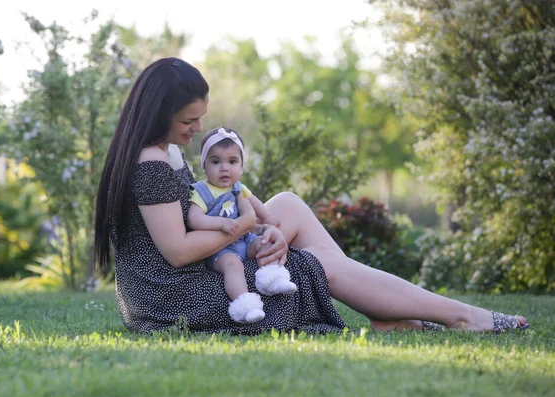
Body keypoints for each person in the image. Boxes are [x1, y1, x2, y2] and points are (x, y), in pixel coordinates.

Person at [94, 57, 529, 335]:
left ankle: (399, 312)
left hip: (191, 273)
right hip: (173, 295)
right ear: (160, 112)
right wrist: (247, 226)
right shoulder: (150, 162)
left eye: (200, 119)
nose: (195, 130)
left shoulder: (163, 151)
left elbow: (205, 212)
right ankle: (457, 315)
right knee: (313, 263)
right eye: (189, 120)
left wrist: (265, 229)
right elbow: (176, 251)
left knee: (285, 205)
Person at [188, 126, 297, 324]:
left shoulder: (238, 187)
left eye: (232, 161)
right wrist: (221, 223)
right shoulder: (202, 191)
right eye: (215, 162)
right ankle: (244, 304)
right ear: (204, 165)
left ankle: (272, 278)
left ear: (241, 165)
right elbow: (194, 219)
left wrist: (268, 218)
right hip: (219, 249)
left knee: (264, 244)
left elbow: (255, 203)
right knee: (233, 266)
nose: (224, 168)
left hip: (244, 239)